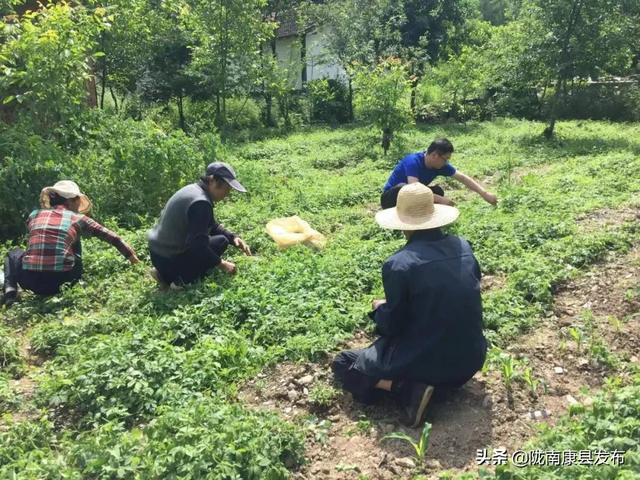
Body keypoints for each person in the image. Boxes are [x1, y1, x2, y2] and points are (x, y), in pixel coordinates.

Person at [333, 183, 487, 427]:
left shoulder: (399, 264)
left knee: (344, 362)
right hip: (470, 360)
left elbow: (393, 326)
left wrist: (379, 309)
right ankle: (430, 389)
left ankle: (405, 389)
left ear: (401, 222)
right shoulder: (463, 247)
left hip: (431, 363)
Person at [2, 180, 139, 306]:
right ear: (72, 201)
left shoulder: (34, 215)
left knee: (13, 254)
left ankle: (10, 293)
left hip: (31, 282)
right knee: (73, 239)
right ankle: (75, 279)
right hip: (64, 281)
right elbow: (113, 237)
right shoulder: (78, 218)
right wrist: (134, 260)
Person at [147, 162, 252, 289]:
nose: (227, 194)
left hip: (159, 255)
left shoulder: (194, 190)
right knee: (218, 243)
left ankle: (163, 274)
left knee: (222, 240)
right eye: (226, 189)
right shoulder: (201, 203)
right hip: (169, 258)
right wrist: (222, 264)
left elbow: (211, 225)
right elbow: (197, 245)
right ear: (213, 181)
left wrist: (232, 237)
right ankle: (179, 281)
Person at [380, 138, 498, 209]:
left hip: (410, 199)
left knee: (437, 191)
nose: (446, 162)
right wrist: (440, 200)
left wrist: (484, 194)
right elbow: (413, 189)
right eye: (445, 158)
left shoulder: (439, 165)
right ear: (435, 155)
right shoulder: (413, 161)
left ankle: (422, 219)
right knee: (403, 187)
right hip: (391, 199)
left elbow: (462, 178)